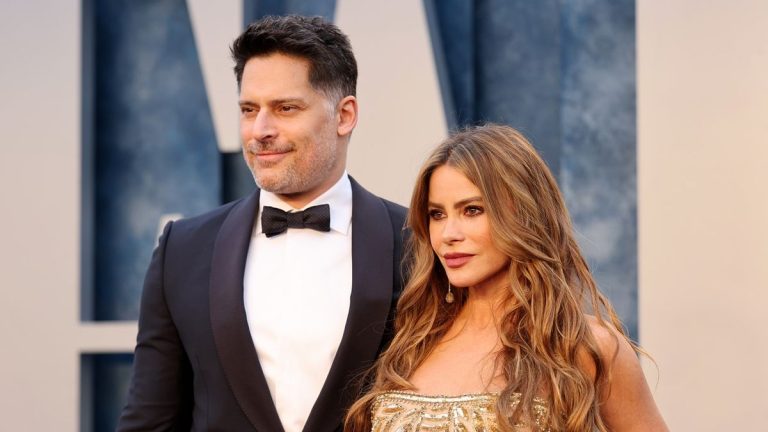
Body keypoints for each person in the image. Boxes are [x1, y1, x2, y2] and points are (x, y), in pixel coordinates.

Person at [117, 15, 407, 432]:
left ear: (344, 115)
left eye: (286, 108)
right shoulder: (182, 251)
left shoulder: (418, 246)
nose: (260, 131)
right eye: (249, 110)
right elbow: (150, 420)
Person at [345, 124, 668, 431]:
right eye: (437, 214)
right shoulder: (414, 337)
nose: (448, 235)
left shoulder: (584, 345)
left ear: (523, 215)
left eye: (472, 210)